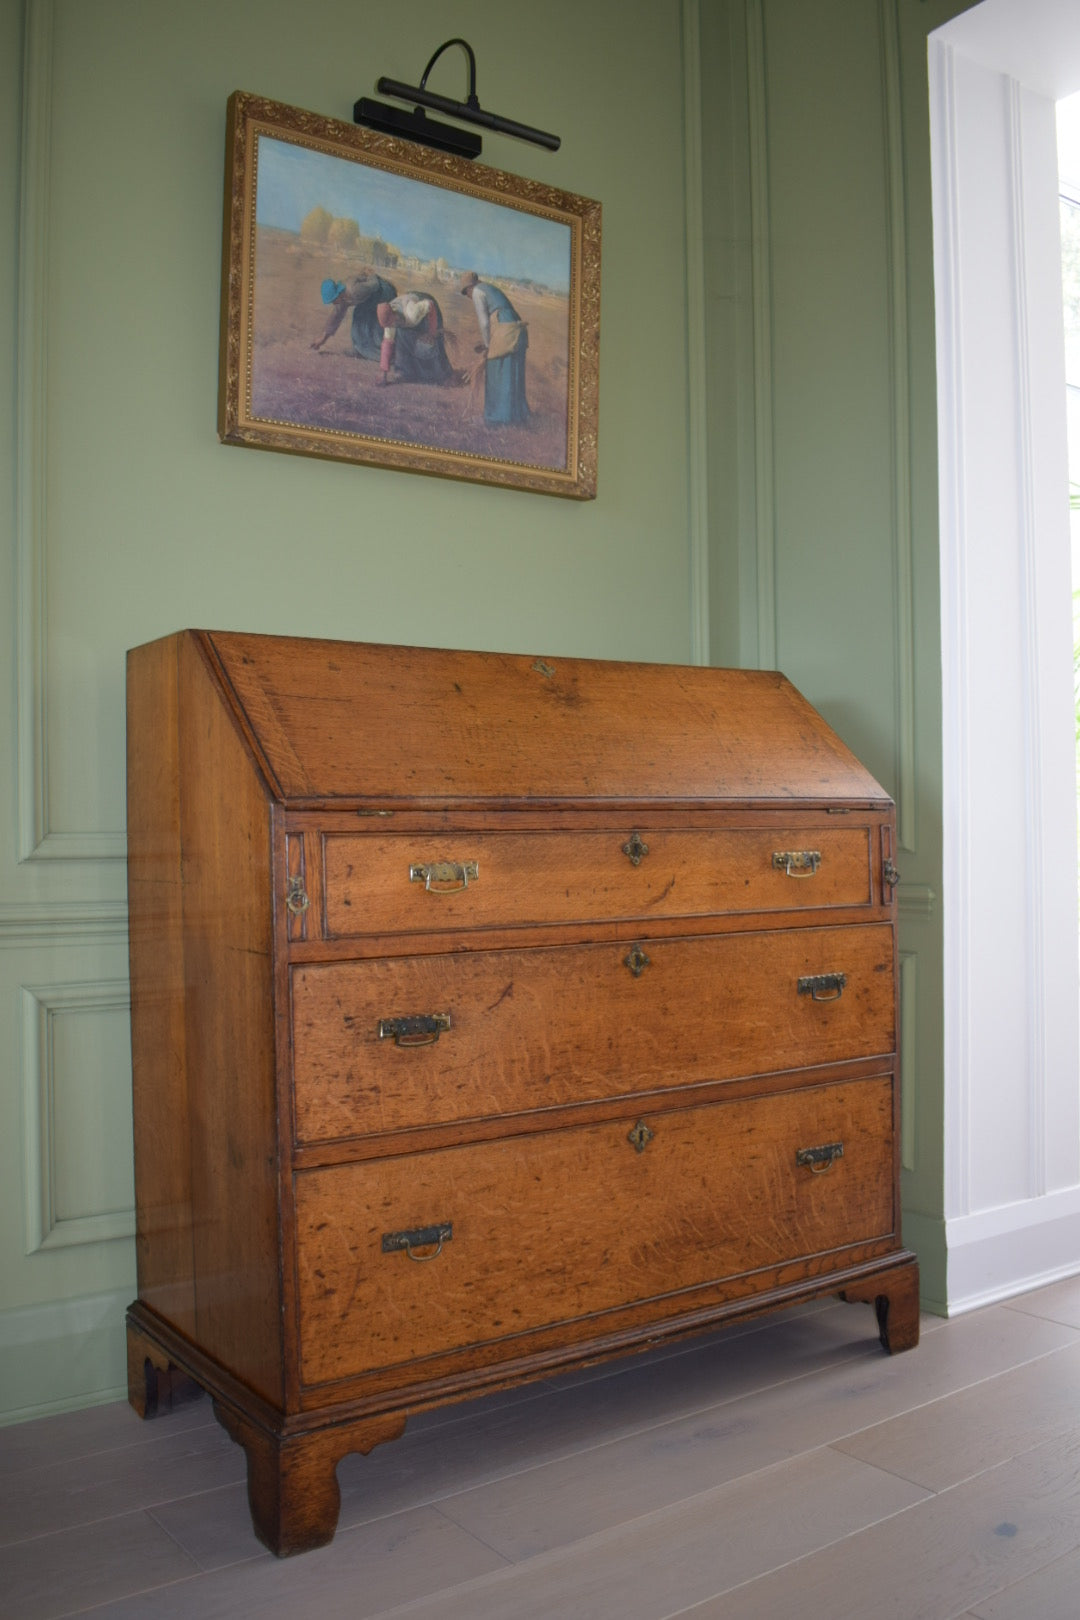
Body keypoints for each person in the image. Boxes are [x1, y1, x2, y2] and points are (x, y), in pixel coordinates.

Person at [460, 271, 529, 424]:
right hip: (515, 327)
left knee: (496, 368)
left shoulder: (478, 292)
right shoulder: (489, 288)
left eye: (466, 292)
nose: (468, 296)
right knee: (512, 368)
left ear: (470, 288)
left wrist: (487, 346)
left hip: (504, 327)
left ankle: (496, 417)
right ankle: (516, 415)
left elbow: (484, 323)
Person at [374, 291, 457, 385]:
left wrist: (432, 333)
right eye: (387, 325)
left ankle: (446, 376)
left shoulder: (411, 313)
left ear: (394, 314)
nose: (389, 326)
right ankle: (405, 372)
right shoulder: (389, 321)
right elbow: (387, 343)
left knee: (431, 344)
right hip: (408, 311)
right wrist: (384, 372)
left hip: (428, 308)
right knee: (401, 339)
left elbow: (430, 305)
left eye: (390, 323)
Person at [311, 270, 397, 361]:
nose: (333, 303)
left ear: (338, 294)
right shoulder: (342, 297)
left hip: (383, 292)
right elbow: (336, 316)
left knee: (376, 323)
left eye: (333, 300)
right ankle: (362, 351)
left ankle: (387, 354)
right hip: (370, 297)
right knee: (358, 322)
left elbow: (375, 284)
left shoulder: (354, 290)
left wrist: (370, 275)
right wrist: (323, 338)